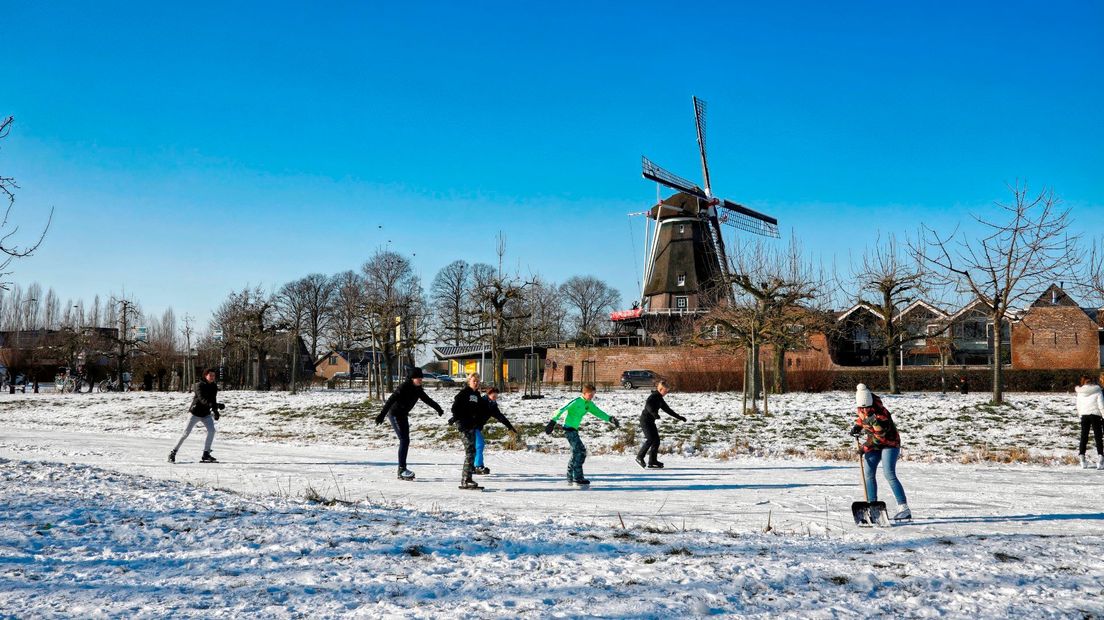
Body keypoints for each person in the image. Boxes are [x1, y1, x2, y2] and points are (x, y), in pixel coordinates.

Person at [850, 383, 910, 521]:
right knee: (868, 473)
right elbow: (862, 418)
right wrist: (857, 426)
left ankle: (904, 508)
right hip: (874, 442)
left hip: (890, 443)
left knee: (889, 473)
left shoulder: (880, 415)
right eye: (862, 407)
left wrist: (864, 448)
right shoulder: (862, 408)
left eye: (867, 408)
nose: (864, 410)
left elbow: (880, 436)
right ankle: (872, 506)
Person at [374, 368, 444, 481]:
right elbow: (390, 400)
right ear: (412, 378)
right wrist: (382, 414)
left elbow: (427, 400)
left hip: (403, 415)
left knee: (406, 440)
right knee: (404, 440)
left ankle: (402, 469)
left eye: (421, 378)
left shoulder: (418, 389)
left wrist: (438, 408)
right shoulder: (403, 387)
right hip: (395, 414)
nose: (421, 380)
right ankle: (401, 469)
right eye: (418, 378)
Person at [545, 383, 619, 486]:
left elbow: (598, 412)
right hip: (568, 430)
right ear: (584, 393)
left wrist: (610, 418)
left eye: (593, 395)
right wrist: (552, 422)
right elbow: (562, 409)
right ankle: (577, 477)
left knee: (577, 453)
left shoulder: (589, 404)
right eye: (590, 395)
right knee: (580, 452)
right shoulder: (576, 401)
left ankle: (570, 476)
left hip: (574, 430)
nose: (592, 397)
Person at [168, 368, 225, 463]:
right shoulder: (199, 386)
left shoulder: (214, 386)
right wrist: (216, 406)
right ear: (205, 375)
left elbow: (213, 400)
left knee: (212, 431)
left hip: (206, 414)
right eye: (210, 375)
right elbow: (202, 400)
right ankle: (173, 453)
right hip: (195, 413)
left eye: (214, 376)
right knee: (185, 433)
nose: (212, 377)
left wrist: (216, 411)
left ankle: (206, 454)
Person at [635, 380, 686, 469]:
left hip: (650, 421)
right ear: (660, 389)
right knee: (650, 439)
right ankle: (639, 457)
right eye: (665, 391)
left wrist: (679, 417)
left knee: (656, 441)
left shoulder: (660, 399)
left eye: (667, 391)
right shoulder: (653, 396)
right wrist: (654, 413)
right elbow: (648, 405)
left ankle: (652, 461)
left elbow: (668, 410)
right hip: (645, 421)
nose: (666, 393)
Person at [472, 386, 517, 475]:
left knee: (475, 447)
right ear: (488, 394)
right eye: (494, 395)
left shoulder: (493, 405)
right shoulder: (481, 401)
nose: (495, 397)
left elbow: (500, 416)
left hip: (476, 427)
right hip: (470, 425)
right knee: (479, 444)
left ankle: (472, 466)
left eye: (496, 396)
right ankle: (478, 466)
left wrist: (510, 426)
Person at [1074, 375, 1104, 470]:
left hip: (1084, 415)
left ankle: (1082, 459)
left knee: (1084, 437)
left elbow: (1078, 405)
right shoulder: (1097, 391)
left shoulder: (1080, 392)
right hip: (1095, 415)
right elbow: (1101, 405)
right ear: (1092, 382)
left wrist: (1080, 415)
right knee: (1098, 437)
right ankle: (1100, 459)